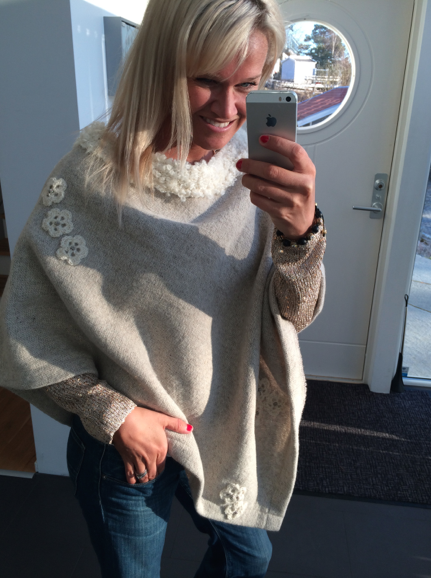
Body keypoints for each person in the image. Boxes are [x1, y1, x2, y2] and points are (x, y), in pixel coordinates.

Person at [0, 0, 326, 576]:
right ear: (161, 65)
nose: (227, 109)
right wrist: (115, 413)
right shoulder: (90, 179)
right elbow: (26, 324)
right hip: (127, 446)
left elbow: (293, 313)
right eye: (207, 80)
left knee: (250, 559)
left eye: (247, 85)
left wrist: (302, 237)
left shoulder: (255, 175)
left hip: (225, 430)